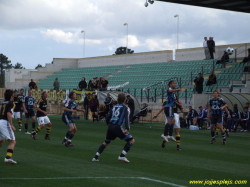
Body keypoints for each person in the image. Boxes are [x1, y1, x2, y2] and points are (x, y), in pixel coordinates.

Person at [92, 93, 135, 163]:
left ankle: (95, 157)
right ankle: (122, 156)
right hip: (117, 127)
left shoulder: (114, 107)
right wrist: (127, 128)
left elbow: (108, 117)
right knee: (131, 140)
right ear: (125, 100)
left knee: (106, 142)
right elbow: (127, 118)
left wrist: (108, 125)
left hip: (110, 126)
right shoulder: (126, 108)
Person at [0, 90, 18, 164]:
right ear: (11, 96)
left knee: (1, 141)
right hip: (4, 122)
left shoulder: (2, 103)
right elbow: (8, 114)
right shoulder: (11, 103)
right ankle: (8, 157)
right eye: (13, 95)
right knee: (12, 141)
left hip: (0, 121)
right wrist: (11, 125)